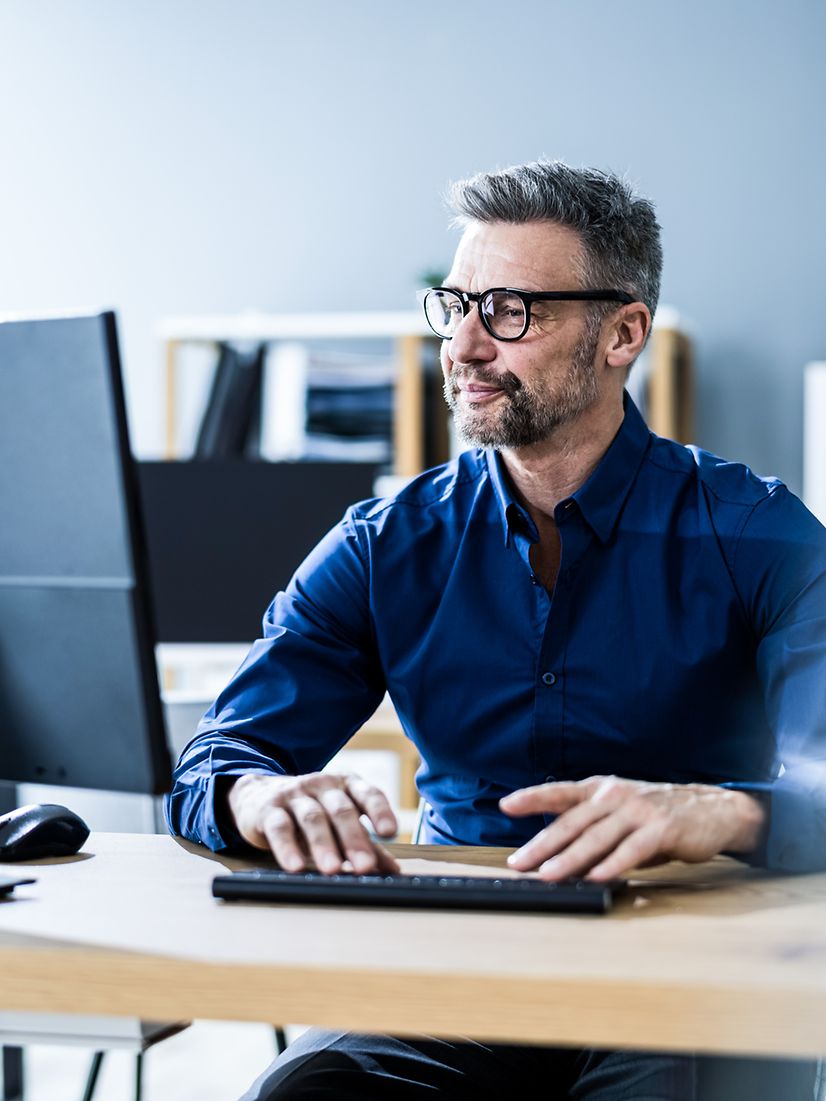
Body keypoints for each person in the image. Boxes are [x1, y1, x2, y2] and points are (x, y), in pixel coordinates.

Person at [165, 160, 826, 1100]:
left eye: (512, 310)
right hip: (460, 968)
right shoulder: (385, 543)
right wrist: (258, 799)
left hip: (689, 965)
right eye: (457, 305)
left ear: (622, 333)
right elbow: (218, 760)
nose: (466, 345)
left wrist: (721, 810)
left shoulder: (761, 534)